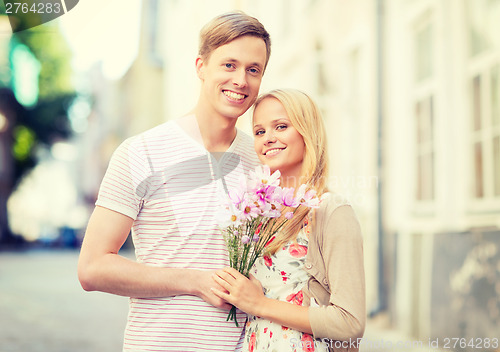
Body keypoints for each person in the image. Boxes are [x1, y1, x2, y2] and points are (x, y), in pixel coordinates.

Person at [77, 11, 271, 352]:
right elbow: (92, 268)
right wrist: (195, 281)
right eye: (229, 65)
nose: (241, 80)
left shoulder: (263, 163)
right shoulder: (141, 152)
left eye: (253, 70)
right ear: (201, 67)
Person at [212, 89, 366, 352]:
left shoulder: (331, 210)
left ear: (307, 131)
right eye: (259, 132)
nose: (268, 138)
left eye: (281, 126)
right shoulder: (258, 213)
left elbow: (350, 323)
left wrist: (258, 303)